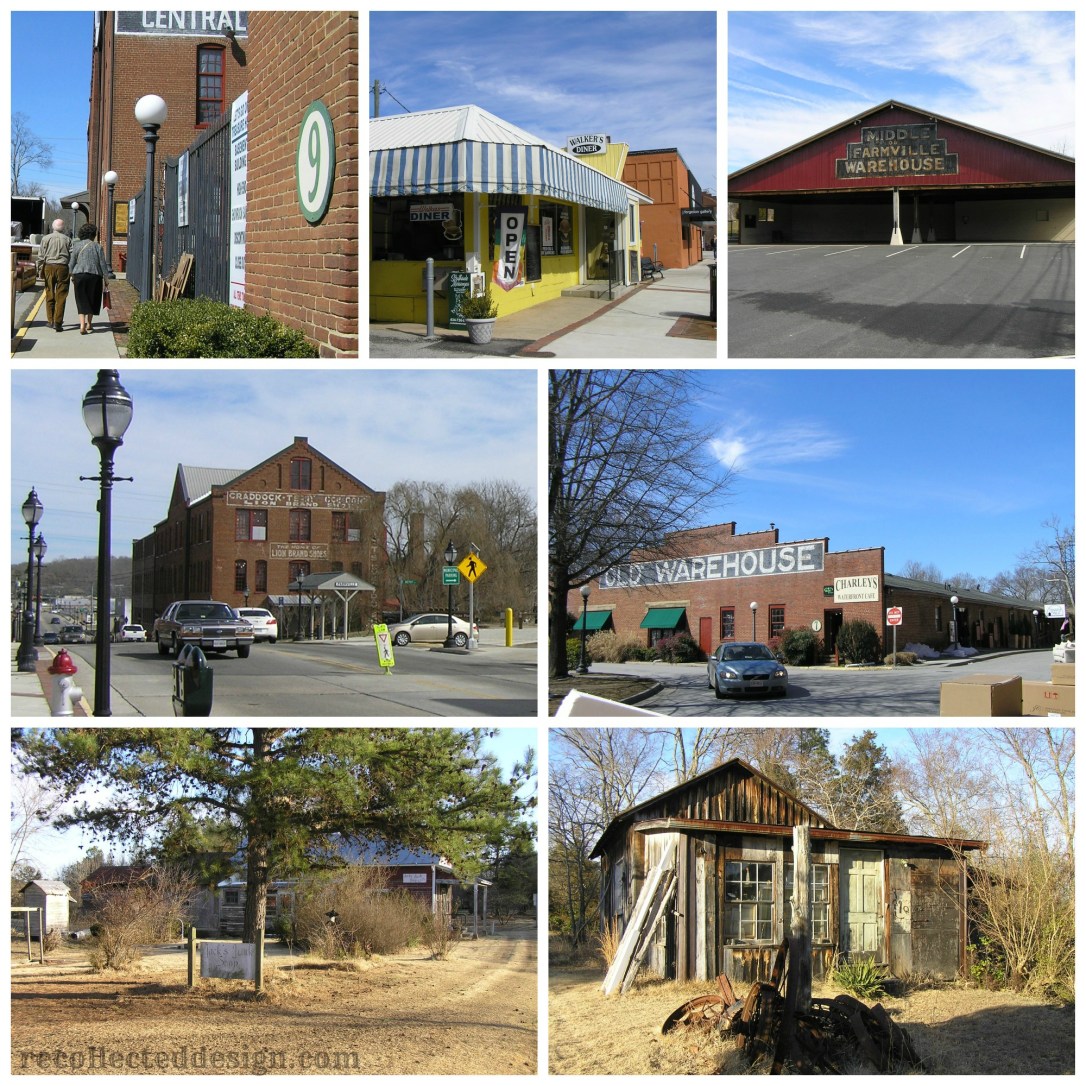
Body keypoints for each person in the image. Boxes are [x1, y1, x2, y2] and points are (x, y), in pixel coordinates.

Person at [69, 223, 115, 334]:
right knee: (92, 299)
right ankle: (89, 324)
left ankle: (81, 325)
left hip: (79, 275)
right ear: (93, 234)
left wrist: (70, 274)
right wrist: (106, 278)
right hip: (95, 276)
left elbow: (72, 262)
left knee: (81, 299)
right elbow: (103, 264)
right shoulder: (98, 246)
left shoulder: (77, 246)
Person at [35, 219, 72, 331]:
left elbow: (41, 256)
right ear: (63, 227)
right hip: (63, 267)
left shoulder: (45, 239)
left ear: (52, 227)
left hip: (49, 266)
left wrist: (39, 269)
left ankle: (50, 321)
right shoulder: (68, 239)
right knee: (61, 296)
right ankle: (58, 323)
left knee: (49, 293)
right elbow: (72, 255)